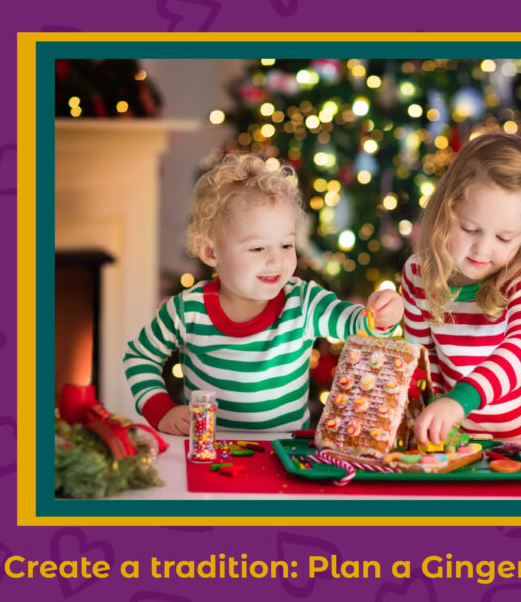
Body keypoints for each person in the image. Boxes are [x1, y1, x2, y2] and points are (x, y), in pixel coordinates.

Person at [124, 154, 403, 435]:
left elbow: (354, 323)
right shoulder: (188, 310)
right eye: (258, 248)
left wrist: (380, 316)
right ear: (211, 252)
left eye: (286, 245)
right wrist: (162, 411)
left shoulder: (302, 302)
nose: (277, 261)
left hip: (284, 455)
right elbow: (140, 357)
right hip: (209, 452)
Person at [402, 133, 521, 444]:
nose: (481, 249)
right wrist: (431, 417)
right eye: (469, 228)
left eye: (503, 238)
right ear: (446, 208)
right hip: (468, 441)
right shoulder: (419, 274)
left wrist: (460, 401)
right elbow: (421, 359)